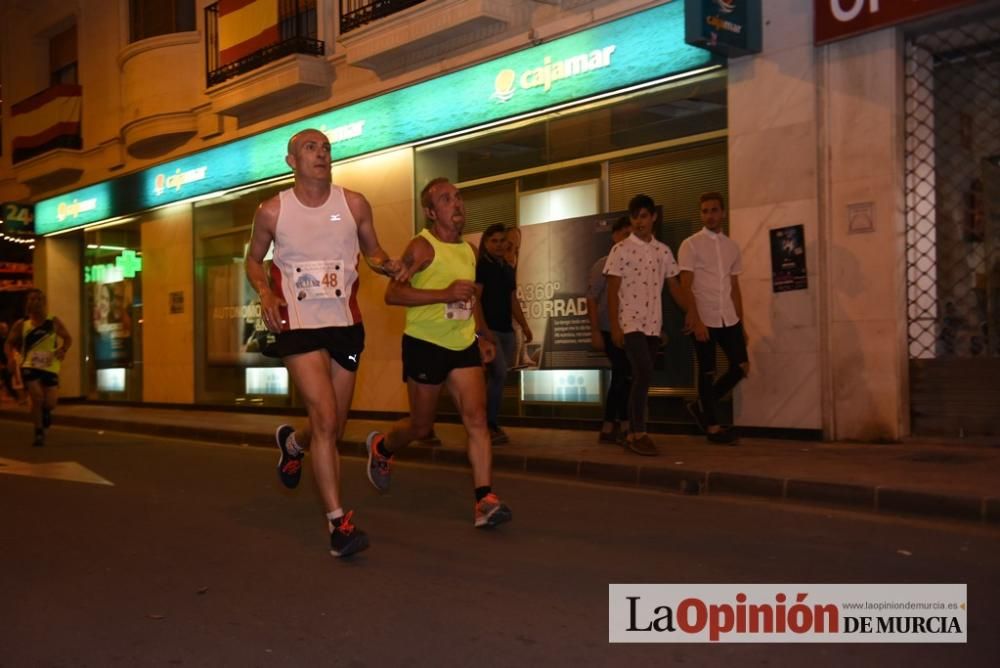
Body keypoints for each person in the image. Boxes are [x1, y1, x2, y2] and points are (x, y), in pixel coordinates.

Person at [245, 128, 407, 558]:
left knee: (330, 426)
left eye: (326, 148)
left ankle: (292, 445)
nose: (321, 154)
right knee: (324, 414)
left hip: (344, 323)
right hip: (296, 324)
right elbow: (253, 258)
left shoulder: (353, 203)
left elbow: (372, 251)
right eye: (310, 148)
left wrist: (386, 264)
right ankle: (339, 525)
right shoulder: (272, 211)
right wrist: (264, 291)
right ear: (292, 161)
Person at [366, 177, 512, 529]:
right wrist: (443, 294)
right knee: (420, 426)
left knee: (476, 420)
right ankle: (383, 448)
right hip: (424, 344)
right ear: (431, 212)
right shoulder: (422, 246)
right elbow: (393, 295)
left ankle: (484, 500)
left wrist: (481, 334)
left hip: (462, 343)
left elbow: (470, 297)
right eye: (446, 199)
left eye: (458, 197)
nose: (456, 204)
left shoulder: (470, 251)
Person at [604, 194, 684, 456]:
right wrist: (616, 327)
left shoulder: (663, 251)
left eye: (644, 216)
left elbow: (674, 286)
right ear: (631, 219)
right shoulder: (620, 250)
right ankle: (639, 432)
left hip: (653, 324)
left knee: (642, 377)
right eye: (635, 217)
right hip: (630, 323)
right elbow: (612, 289)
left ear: (653, 218)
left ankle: (631, 431)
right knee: (644, 371)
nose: (640, 222)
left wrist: (692, 312)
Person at [678, 192, 749, 445]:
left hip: (728, 317)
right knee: (707, 371)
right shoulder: (690, 244)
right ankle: (712, 426)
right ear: (701, 214)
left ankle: (701, 406)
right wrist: (695, 320)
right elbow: (686, 285)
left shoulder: (732, 246)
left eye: (714, 210)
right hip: (704, 317)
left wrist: (741, 323)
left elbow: (735, 287)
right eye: (705, 211)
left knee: (741, 367)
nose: (710, 215)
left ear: (723, 213)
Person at [476, 223, 532, 445]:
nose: (499, 245)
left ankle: (486, 422)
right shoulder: (481, 266)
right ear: (486, 243)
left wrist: (525, 325)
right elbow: (475, 300)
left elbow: (512, 300)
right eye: (494, 241)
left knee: (498, 377)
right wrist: (483, 330)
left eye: (502, 241)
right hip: (489, 332)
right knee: (498, 374)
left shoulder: (507, 268)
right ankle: (488, 424)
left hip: (507, 331)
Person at [4, 290, 72, 446]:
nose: (36, 302)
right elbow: (9, 343)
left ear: (44, 302)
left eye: (39, 299)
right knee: (37, 396)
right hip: (29, 365)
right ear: (28, 303)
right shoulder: (22, 324)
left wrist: (63, 349)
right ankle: (39, 431)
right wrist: (10, 358)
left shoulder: (53, 322)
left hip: (50, 366)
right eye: (32, 299)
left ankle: (46, 413)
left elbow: (68, 338)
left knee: (50, 402)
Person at [587, 216, 632, 444]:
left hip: (632, 328)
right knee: (622, 372)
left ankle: (617, 424)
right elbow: (592, 299)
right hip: (608, 327)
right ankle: (614, 424)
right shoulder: (602, 264)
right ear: (614, 237)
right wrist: (595, 331)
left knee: (625, 375)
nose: (627, 240)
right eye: (623, 235)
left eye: (630, 235)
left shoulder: (638, 264)